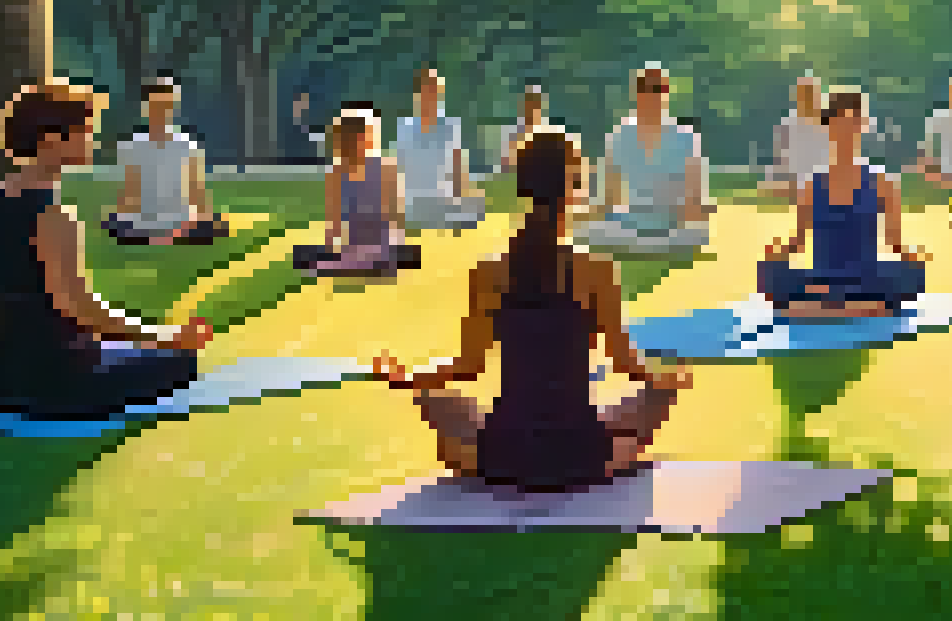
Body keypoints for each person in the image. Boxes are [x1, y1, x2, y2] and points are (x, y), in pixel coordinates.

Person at [370, 126, 693, 490]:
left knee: (442, 408)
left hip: (506, 451)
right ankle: (610, 453)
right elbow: (627, 364)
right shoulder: (597, 270)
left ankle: (487, 461)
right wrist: (670, 381)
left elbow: (467, 367)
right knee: (657, 397)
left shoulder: (490, 273)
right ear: (574, 189)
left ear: (523, 186)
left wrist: (410, 378)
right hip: (580, 454)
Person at [0, 80, 216, 418]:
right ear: (50, 139)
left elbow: (4, 296)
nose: (92, 139)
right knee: (180, 360)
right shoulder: (53, 214)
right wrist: (166, 336)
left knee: (126, 347)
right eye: (84, 131)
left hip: (2, 378)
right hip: (61, 382)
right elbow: (80, 308)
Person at [759, 88, 930, 316]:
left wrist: (913, 256)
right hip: (823, 278)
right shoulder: (810, 185)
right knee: (772, 275)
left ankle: (822, 308)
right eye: (840, 123)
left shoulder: (884, 182)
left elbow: (894, 241)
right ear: (827, 127)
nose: (847, 131)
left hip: (866, 278)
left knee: (912, 275)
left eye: (853, 123)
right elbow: (799, 240)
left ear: (863, 126)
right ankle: (856, 307)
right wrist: (777, 254)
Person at [581, 66, 712, 253]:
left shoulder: (687, 137)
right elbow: (609, 195)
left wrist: (690, 217)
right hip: (630, 222)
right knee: (587, 231)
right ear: (636, 94)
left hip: (672, 225)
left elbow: (695, 197)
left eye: (658, 89)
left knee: (696, 234)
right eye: (645, 89)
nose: (652, 95)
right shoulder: (620, 134)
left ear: (666, 93)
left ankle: (649, 244)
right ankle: (648, 244)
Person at [296, 105, 421, 275]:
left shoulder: (385, 168)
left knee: (313, 259)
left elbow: (396, 218)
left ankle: (371, 262)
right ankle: (368, 262)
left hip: (380, 250)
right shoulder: (337, 173)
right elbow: (334, 227)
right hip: (360, 250)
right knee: (304, 255)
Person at [105, 75, 226, 244]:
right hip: (170, 224)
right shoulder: (185, 145)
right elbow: (197, 193)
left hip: (158, 224)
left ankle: (156, 235)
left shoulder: (185, 145)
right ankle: (171, 235)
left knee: (114, 223)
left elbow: (128, 194)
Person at [396, 68, 482, 232]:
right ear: (418, 94)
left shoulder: (450, 126)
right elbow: (400, 172)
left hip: (444, 199)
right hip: (416, 203)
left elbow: (459, 170)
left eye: (435, 91)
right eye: (427, 91)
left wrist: (463, 196)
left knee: (476, 204)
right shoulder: (406, 128)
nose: (431, 97)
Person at [767, 75, 827, 204]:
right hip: (794, 181)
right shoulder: (788, 125)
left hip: (822, 182)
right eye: (804, 94)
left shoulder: (826, 125)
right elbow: (781, 159)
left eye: (811, 94)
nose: (808, 99)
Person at [500, 86, 548, 174]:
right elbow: (506, 163)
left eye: (535, 104)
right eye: (529, 102)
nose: (532, 108)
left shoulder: (551, 131)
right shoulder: (514, 132)